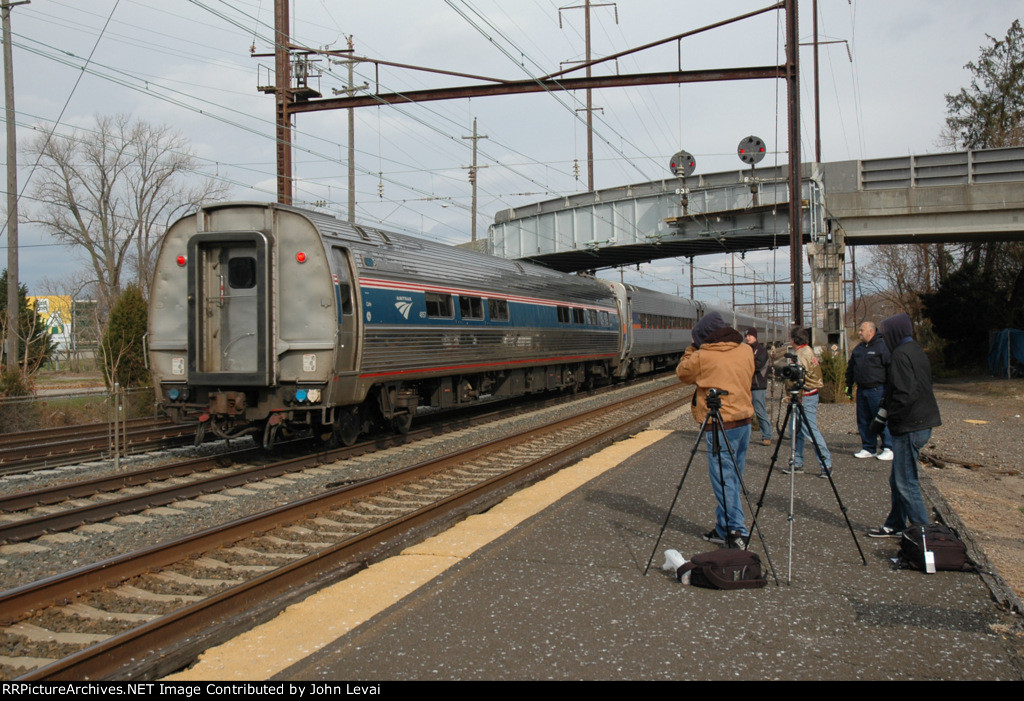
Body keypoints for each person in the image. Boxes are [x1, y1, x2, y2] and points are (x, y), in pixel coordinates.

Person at [675, 312, 754, 549]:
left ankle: (736, 530)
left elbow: (682, 373)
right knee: (732, 477)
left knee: (723, 480)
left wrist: (692, 349)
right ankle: (723, 527)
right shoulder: (745, 350)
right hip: (744, 422)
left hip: (720, 426)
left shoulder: (702, 356)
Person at [867, 313, 941, 537]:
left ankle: (923, 535)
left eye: (887, 333)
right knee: (899, 478)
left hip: (909, 425)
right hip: (922, 422)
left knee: (906, 481)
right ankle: (896, 523)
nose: (884, 337)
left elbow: (903, 394)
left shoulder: (899, 355)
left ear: (895, 333)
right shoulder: (917, 351)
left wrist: (890, 421)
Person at [784, 326, 833, 478]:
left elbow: (798, 378)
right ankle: (797, 462)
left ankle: (826, 464)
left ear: (794, 340)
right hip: (808, 394)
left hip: (803, 396)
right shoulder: (807, 351)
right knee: (795, 430)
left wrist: (792, 394)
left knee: (810, 431)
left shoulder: (801, 355)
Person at [845, 321, 893, 460]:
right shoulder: (859, 349)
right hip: (861, 389)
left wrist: (890, 390)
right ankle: (868, 447)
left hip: (878, 389)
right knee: (863, 420)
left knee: (881, 419)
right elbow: (850, 369)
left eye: (861, 330)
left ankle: (888, 447)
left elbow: (890, 369)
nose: (859, 332)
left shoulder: (882, 347)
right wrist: (848, 386)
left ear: (870, 332)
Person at [745, 327, 772, 446]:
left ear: (755, 336)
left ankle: (767, 436)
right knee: (745, 412)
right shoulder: (745, 349)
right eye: (746, 336)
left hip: (758, 385)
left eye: (749, 335)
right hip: (746, 386)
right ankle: (745, 436)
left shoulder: (761, 350)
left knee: (760, 411)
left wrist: (744, 365)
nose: (747, 338)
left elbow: (757, 365)